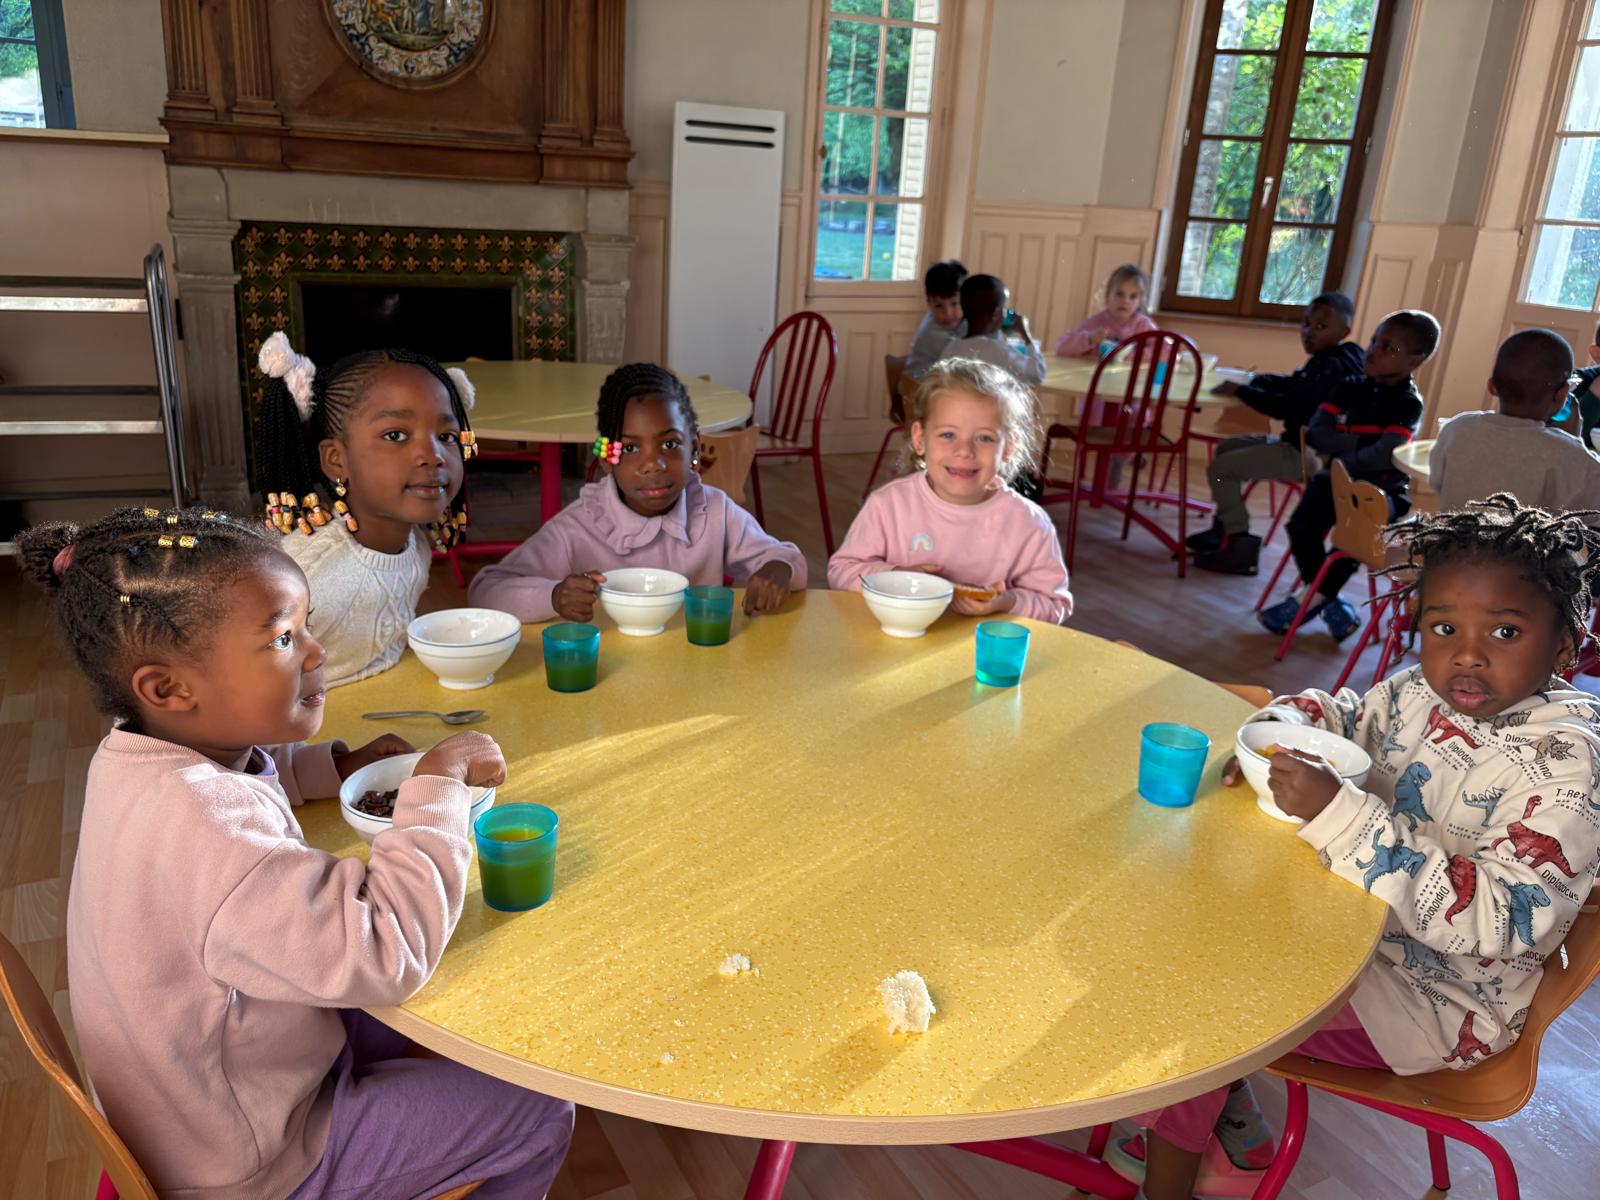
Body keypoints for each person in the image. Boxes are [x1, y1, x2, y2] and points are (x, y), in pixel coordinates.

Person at [16, 505, 573, 1200]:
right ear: (168, 688)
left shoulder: (135, 755)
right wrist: (435, 793)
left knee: (445, 1015)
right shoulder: (213, 838)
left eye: (306, 625)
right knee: (543, 1108)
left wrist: (331, 767)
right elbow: (385, 953)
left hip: (193, 1106)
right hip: (257, 1163)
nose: (316, 651)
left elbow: (238, 775)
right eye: (283, 638)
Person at [1113, 495, 1600, 1200]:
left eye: (1505, 631)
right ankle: (1214, 1116)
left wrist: (1343, 815)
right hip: (1335, 927)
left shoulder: (1570, 767)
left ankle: (1170, 1170)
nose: (1467, 653)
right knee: (1182, 930)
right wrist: (1274, 732)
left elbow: (1499, 920)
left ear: (1564, 646)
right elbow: (1346, 718)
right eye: (1443, 627)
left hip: (1430, 999)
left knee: (1207, 1007)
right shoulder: (1420, 691)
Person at [468, 363, 807, 622]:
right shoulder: (577, 529)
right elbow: (485, 592)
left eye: (670, 444)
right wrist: (554, 596)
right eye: (630, 448)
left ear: (694, 449)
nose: (653, 464)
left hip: (699, 669)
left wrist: (778, 568)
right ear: (606, 458)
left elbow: (786, 559)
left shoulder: (714, 511)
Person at [252, 331, 477, 686]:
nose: (433, 455)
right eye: (395, 435)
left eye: (446, 436)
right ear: (336, 460)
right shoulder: (306, 577)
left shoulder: (415, 545)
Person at [828, 357, 1072, 623]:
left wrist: (1008, 602)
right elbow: (841, 571)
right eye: (948, 435)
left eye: (984, 438)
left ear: (1009, 447)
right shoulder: (888, 505)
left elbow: (1054, 604)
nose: (964, 450)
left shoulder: (1029, 524)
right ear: (920, 439)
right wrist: (895, 577)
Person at [1260, 310, 1440, 641]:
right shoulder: (1349, 386)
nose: (1372, 352)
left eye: (1387, 348)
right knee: (1300, 527)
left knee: (1353, 542)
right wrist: (1361, 446)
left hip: (1382, 492)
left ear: (1415, 360)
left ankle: (1308, 600)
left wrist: (1342, 453)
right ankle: (1328, 602)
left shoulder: (1407, 403)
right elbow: (1317, 434)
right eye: (1374, 341)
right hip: (1334, 482)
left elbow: (1384, 455)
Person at [1190, 292, 1364, 574]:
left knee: (1221, 469)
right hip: (1304, 447)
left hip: (1307, 456)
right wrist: (1256, 380)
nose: (1309, 332)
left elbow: (1287, 408)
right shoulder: (1339, 357)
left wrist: (1242, 391)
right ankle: (1223, 530)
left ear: (1344, 331)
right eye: (1305, 324)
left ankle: (1239, 545)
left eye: (1321, 326)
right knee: (1227, 449)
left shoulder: (1330, 366)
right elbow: (1295, 384)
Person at [1431, 328, 1600, 514]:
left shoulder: (1456, 428)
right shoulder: (1569, 454)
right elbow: (1592, 508)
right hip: (1526, 535)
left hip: (1453, 532)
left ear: (1492, 386)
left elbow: (1437, 482)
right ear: (1562, 394)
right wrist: (1573, 440)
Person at [935, 273, 1047, 387]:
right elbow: (1038, 374)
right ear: (995, 314)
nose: (1005, 314)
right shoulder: (1000, 352)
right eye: (1004, 309)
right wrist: (1025, 334)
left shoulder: (950, 349)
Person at [1053, 264, 1159, 357]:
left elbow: (1165, 351)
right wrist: (1090, 339)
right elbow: (1060, 347)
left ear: (1140, 301)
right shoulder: (1096, 323)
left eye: (1133, 296)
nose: (1125, 301)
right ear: (1108, 295)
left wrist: (1127, 355)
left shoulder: (1143, 325)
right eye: (1119, 294)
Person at [904, 259, 968, 382]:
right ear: (929, 304)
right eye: (939, 306)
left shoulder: (964, 321)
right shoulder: (931, 332)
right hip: (918, 388)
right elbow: (964, 357)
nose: (948, 313)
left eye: (954, 304)